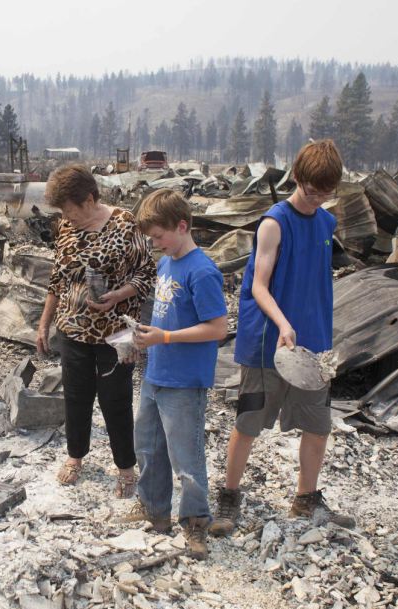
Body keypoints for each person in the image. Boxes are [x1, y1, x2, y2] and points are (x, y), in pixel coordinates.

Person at [210, 140, 355, 536]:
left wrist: (315, 331)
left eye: (326, 192)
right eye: (312, 189)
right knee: (250, 420)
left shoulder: (326, 223)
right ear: (297, 177)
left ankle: (305, 498)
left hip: (312, 345)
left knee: (318, 424)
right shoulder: (274, 222)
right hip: (266, 342)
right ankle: (229, 494)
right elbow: (258, 285)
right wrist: (283, 324)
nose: (317, 198)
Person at [37, 164, 156, 498]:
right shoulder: (65, 228)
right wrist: (44, 323)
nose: (65, 216)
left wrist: (117, 296)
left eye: (69, 209)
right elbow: (56, 279)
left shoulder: (125, 224)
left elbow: (146, 274)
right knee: (75, 398)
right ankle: (76, 456)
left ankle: (126, 468)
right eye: (61, 211)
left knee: (115, 400)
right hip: (72, 328)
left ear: (89, 199)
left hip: (115, 334)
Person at [122, 189, 228, 560]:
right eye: (151, 238)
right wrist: (144, 336)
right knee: (148, 446)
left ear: (182, 226)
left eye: (158, 237)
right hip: (157, 373)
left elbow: (218, 328)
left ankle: (196, 521)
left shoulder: (203, 271)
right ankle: (155, 510)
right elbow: (169, 315)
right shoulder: (166, 264)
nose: (155, 244)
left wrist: (164, 336)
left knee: (187, 458)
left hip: (185, 381)